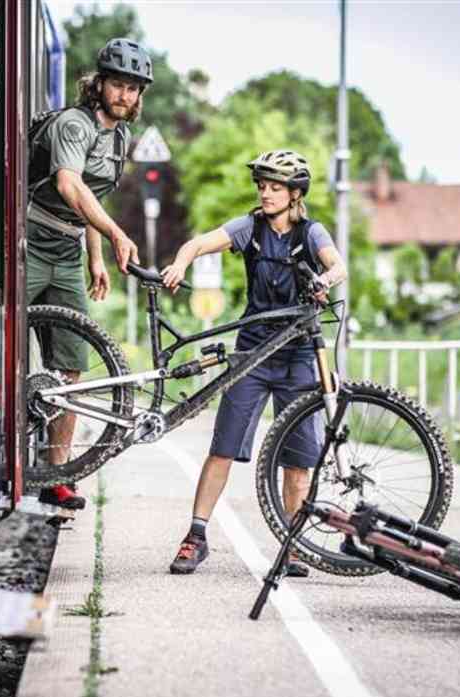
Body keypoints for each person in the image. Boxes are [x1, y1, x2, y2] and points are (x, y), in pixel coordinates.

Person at [159, 149, 348, 575]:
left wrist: (324, 280)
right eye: (262, 186)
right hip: (254, 353)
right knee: (223, 448)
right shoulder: (251, 228)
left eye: (274, 187)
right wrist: (180, 262)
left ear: (295, 193)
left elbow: (338, 266)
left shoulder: (312, 232)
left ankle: (293, 545)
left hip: (299, 355)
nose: (265, 193)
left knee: (298, 460)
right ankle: (195, 536)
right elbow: (200, 242)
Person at [26, 38, 152, 510]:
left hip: (67, 249)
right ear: (99, 84)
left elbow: (89, 201)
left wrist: (95, 256)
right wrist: (118, 234)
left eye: (134, 89)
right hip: (27, 241)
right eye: (119, 84)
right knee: (1, 347)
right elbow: (69, 184)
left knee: (73, 365)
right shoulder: (74, 125)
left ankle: (57, 474)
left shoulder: (119, 139)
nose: (126, 95)